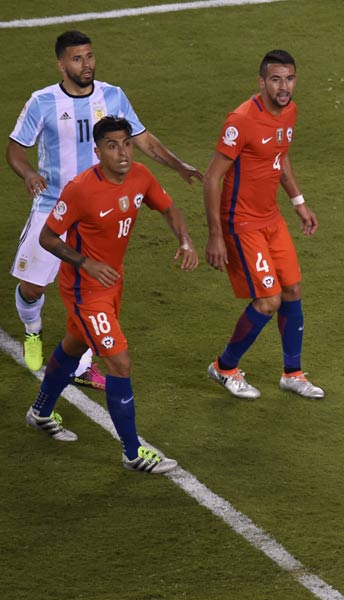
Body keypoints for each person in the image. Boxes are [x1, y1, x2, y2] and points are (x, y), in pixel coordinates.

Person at [7, 30, 202, 388]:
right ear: (61, 64)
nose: (86, 65)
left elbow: (143, 139)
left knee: (90, 291)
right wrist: (29, 173)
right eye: (77, 59)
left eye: (90, 57)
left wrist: (178, 165)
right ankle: (32, 330)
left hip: (99, 213)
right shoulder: (42, 101)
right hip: (53, 205)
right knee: (33, 286)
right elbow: (16, 148)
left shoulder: (113, 96)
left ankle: (81, 364)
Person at [25, 116, 197, 473]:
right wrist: (85, 263)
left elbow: (168, 207)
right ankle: (133, 452)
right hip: (83, 288)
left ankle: (40, 410)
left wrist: (184, 239)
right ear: (98, 150)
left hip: (111, 282)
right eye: (112, 146)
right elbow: (48, 237)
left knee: (74, 343)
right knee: (119, 362)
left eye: (127, 144)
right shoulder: (80, 189)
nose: (122, 153)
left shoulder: (140, 177)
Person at [204, 50, 324, 400]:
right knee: (269, 299)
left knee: (292, 290)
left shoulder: (290, 111)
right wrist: (215, 235)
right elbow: (213, 178)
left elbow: (280, 155)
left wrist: (299, 203)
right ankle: (224, 367)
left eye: (289, 78)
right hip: (240, 222)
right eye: (275, 79)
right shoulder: (240, 120)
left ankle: (293, 373)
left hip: (271, 217)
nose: (283, 86)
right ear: (261, 82)